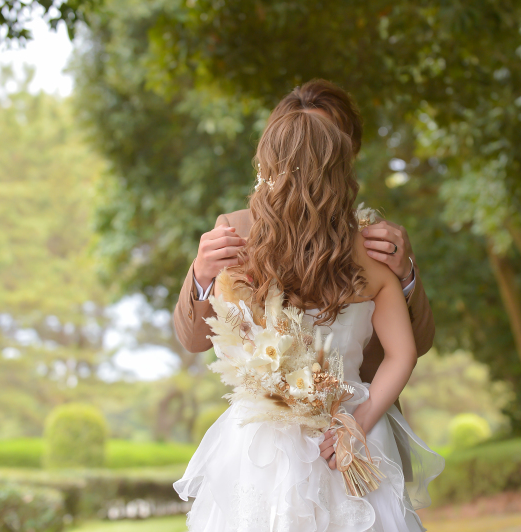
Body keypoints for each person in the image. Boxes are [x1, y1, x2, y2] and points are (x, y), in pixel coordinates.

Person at [172, 80, 444, 531]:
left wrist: (407, 273)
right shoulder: (235, 238)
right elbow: (196, 338)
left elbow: (418, 342)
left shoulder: (381, 244)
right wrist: (201, 275)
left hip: (356, 427)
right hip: (268, 445)